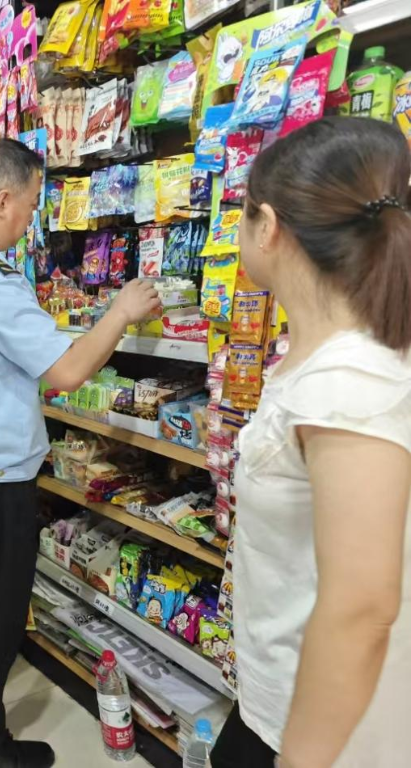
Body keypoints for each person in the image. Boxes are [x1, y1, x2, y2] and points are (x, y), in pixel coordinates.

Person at [0, 139, 160, 768]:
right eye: (32, 202)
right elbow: (65, 372)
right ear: (2, 199)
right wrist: (120, 312)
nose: (31, 218)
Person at [210, 118, 411, 768]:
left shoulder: (346, 384)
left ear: (267, 225)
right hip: (289, 701)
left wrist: (302, 756)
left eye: (241, 213)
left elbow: (362, 607)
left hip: (322, 730)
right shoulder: (341, 360)